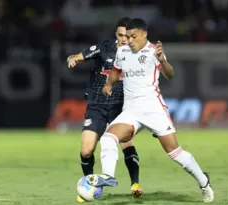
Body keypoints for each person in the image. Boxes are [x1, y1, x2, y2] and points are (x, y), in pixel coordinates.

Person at [87, 18, 214, 203]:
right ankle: (108, 176)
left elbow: (170, 74)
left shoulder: (154, 51)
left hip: (153, 109)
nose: (129, 40)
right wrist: (108, 84)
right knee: (108, 138)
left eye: (133, 37)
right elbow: (115, 70)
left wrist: (162, 60)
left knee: (174, 152)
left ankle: (204, 182)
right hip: (131, 111)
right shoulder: (122, 51)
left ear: (144, 34)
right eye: (127, 37)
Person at [67, 17, 143, 202]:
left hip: (121, 107)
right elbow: (77, 56)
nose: (124, 39)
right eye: (120, 35)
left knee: (127, 143)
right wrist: (73, 59)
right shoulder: (105, 47)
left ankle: (135, 184)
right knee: (86, 150)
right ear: (116, 35)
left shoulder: (138, 54)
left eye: (128, 35)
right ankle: (90, 183)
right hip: (97, 106)